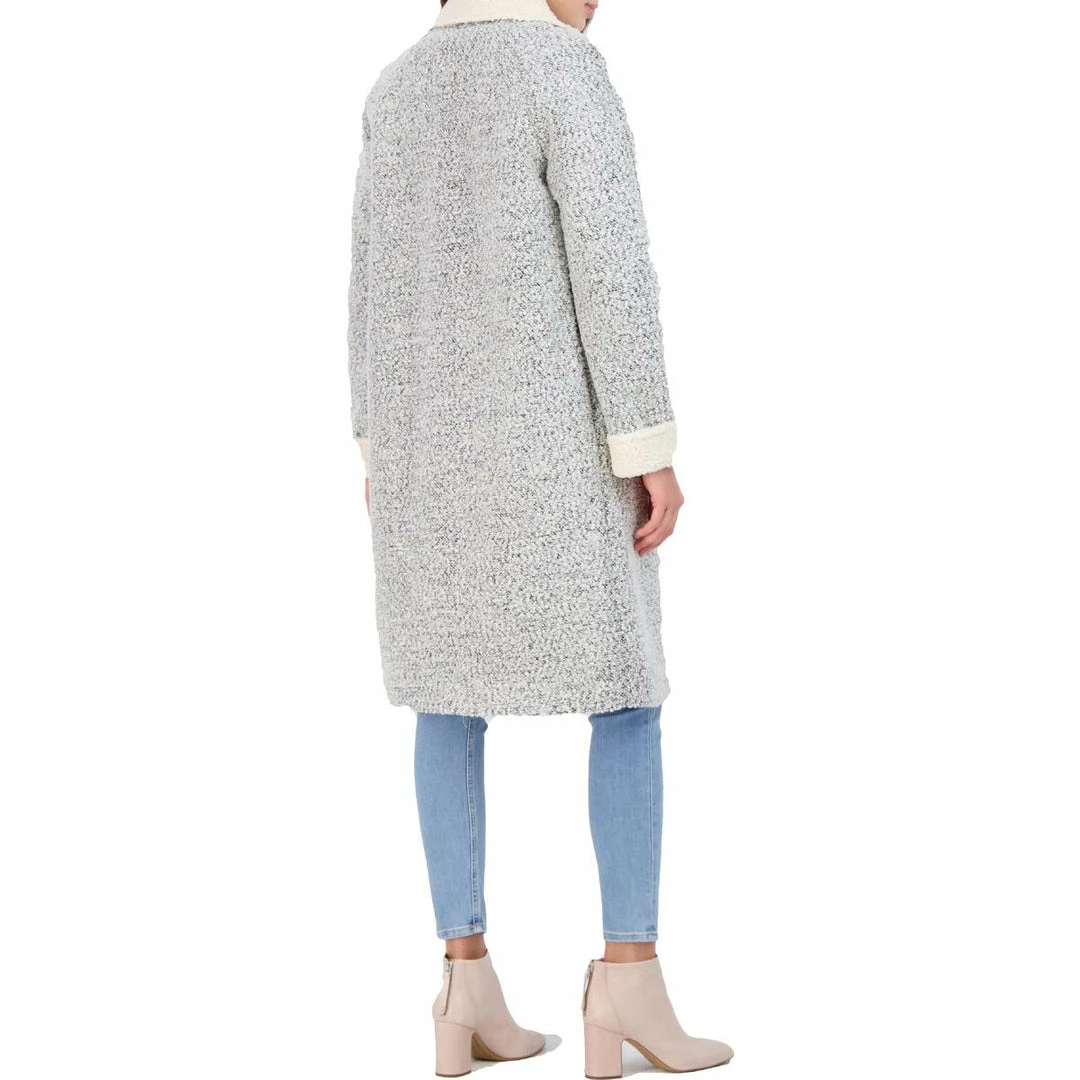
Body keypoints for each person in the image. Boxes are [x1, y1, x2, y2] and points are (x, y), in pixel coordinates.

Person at [347, 0, 733, 1075]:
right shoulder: (562, 69)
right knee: (628, 695)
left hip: (424, 446)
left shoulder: (395, 85)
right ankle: (628, 979)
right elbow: (613, 270)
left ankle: (463, 984)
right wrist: (648, 444)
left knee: (444, 699)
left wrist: (376, 440)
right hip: (559, 443)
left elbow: (364, 284)